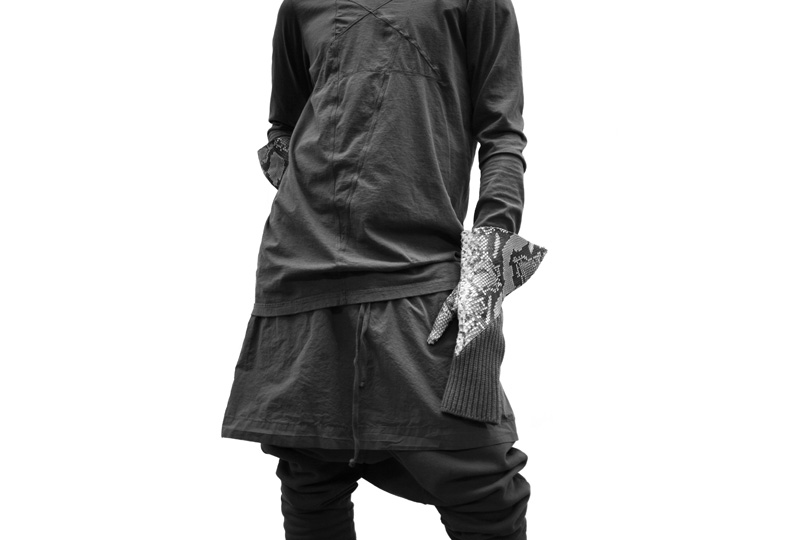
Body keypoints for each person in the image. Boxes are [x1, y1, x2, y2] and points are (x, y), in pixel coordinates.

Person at [221, 0, 548, 538]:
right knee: (311, 475)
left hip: (419, 265)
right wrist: (310, 208)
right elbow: (286, 124)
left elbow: (502, 133)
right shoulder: (300, 5)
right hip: (300, 270)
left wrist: (486, 271)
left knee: (482, 486)